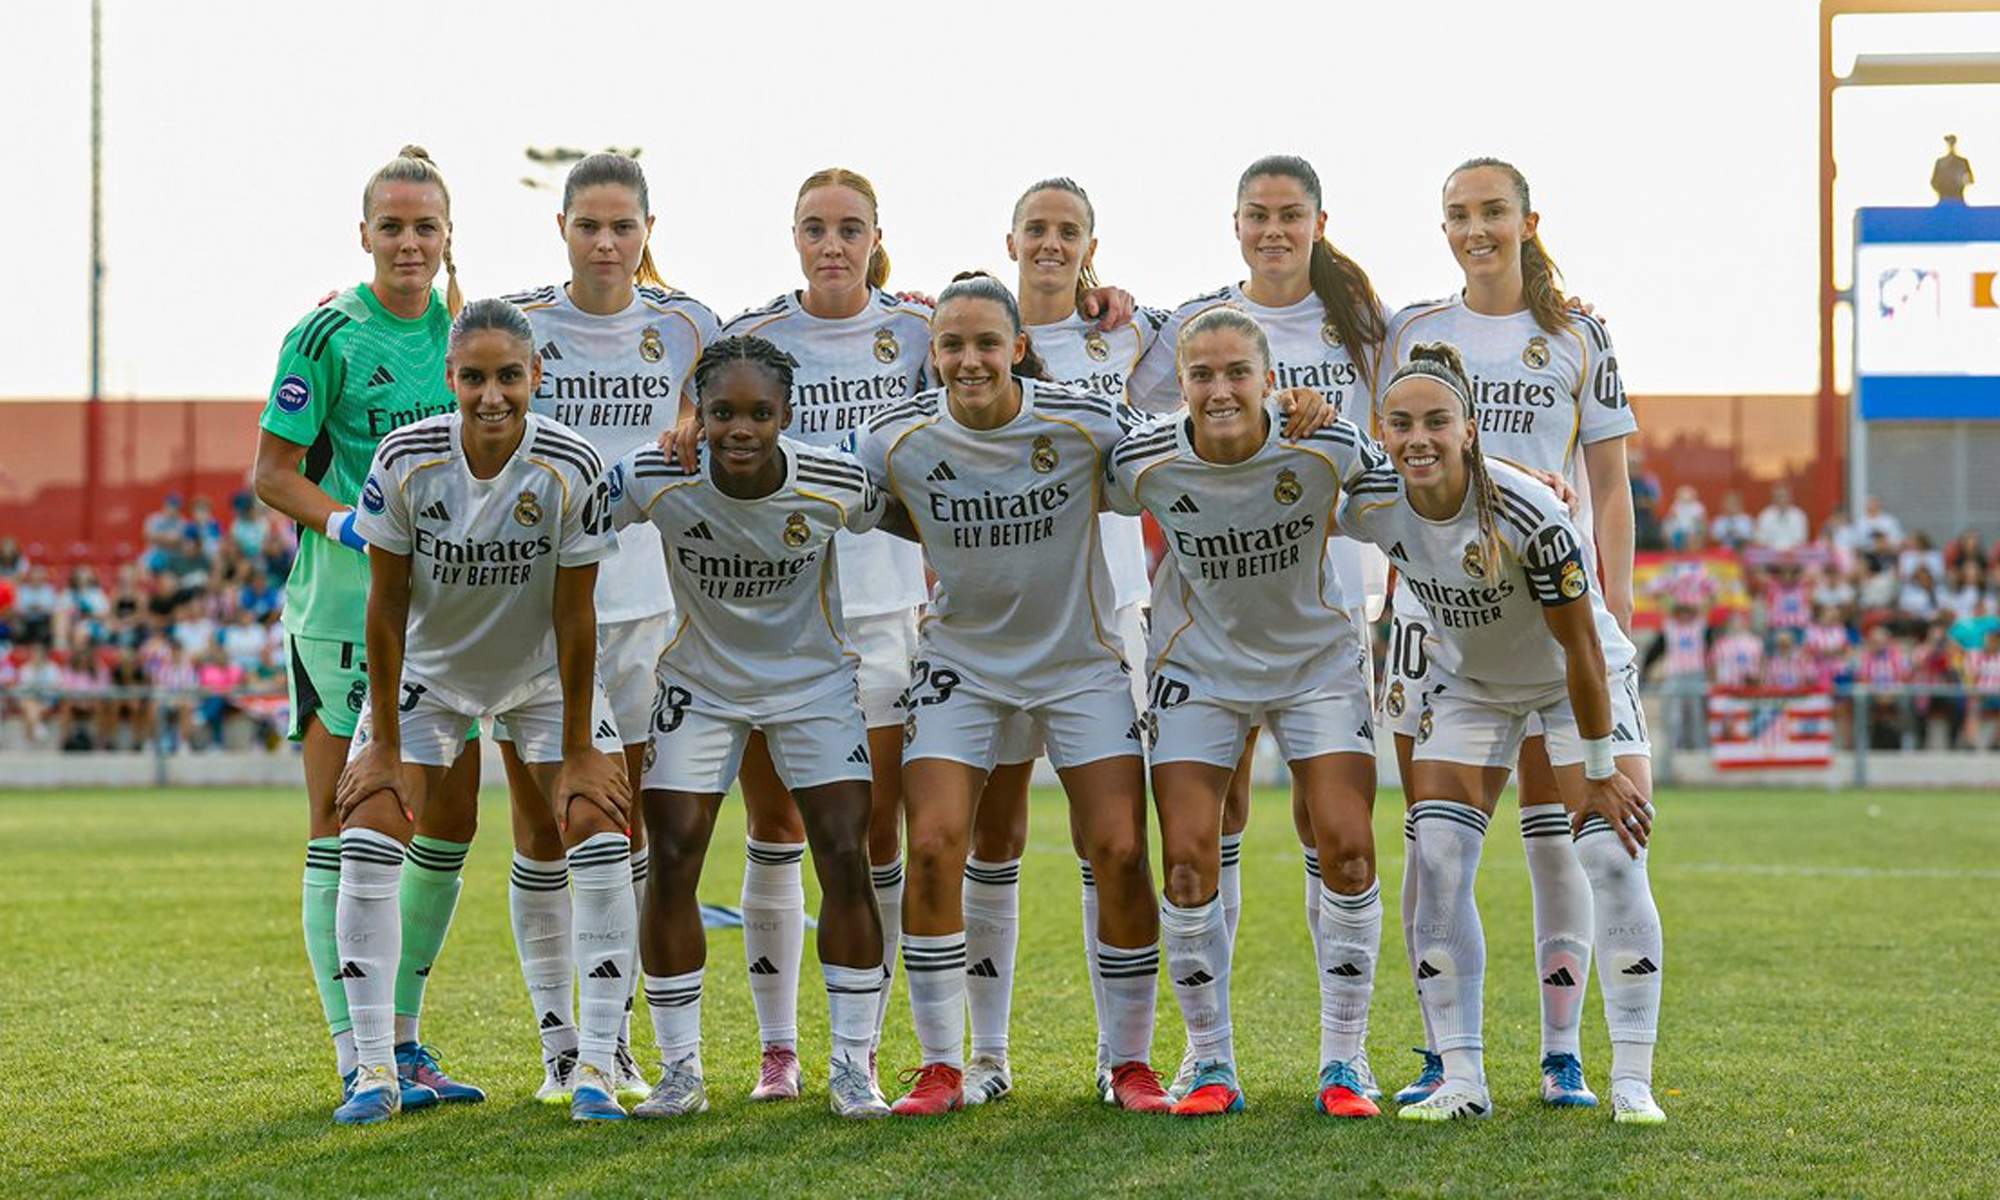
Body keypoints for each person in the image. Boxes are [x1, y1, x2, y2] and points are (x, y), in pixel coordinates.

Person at [699, 167, 1137, 1098]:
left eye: (849, 227)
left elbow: (1160, 440)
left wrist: (1106, 295)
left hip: (913, 616)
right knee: (797, 828)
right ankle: (809, 1049)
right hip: (787, 613)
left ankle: (1036, 1056)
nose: (832, 243)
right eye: (815, 226)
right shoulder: (756, 339)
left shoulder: (920, 329)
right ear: (793, 235)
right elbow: (814, 472)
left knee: (945, 839)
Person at [853, 273, 1169, 1117]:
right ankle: (942, 1066)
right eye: (952, 345)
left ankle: (1128, 1064)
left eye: (986, 343)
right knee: (935, 846)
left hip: (1079, 663)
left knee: (1120, 850)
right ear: (934, 353)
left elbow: (1174, 463)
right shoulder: (893, 438)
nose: (968, 360)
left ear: (1019, 348)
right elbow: (837, 493)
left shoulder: (1082, 423)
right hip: (964, 665)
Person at [1339, 342, 1666, 1125]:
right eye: (1401, 423)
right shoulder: (1373, 500)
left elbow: (1583, 646)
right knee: (1439, 852)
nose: (1419, 438)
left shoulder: (1530, 512)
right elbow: (1303, 478)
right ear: (1383, 432)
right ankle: (1463, 1078)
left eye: (1437, 422)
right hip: (1475, 686)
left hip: (1572, 679)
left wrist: (1595, 766)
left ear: (1471, 429)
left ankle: (1630, 1078)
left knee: (1609, 852)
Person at [1127, 153, 1390, 1100]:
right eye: (1201, 374)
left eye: (1238, 371)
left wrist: (1535, 487)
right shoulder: (1145, 457)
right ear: (1180, 382)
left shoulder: (1327, 441)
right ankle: (1210, 1059)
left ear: (1273, 380)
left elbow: (1420, 486)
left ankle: (1344, 1058)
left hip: (1317, 659)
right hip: (1198, 664)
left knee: (1349, 845)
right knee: (1190, 857)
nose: (1219, 387)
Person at [329, 298, 631, 1124]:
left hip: (540, 681)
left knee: (601, 833)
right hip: (428, 678)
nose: (491, 395)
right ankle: (372, 1074)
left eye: (508, 376)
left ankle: (595, 1069)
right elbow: (385, 607)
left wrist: (576, 749)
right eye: (473, 377)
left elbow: (577, 615)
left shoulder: (571, 465)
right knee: (368, 833)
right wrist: (384, 744)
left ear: (536, 376)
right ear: (451, 381)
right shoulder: (404, 458)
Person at [1378, 157, 1638, 1109]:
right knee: (1434, 836)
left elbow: (1608, 487)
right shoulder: (1414, 329)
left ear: (1530, 221)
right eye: (1459, 213)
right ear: (1443, 227)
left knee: (1555, 836)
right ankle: (1446, 1050)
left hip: (1552, 605)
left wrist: (1619, 614)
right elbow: (1382, 454)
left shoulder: (1578, 334)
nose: (1476, 227)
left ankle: (1561, 1054)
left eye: (1494, 211)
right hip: (1433, 616)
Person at [251, 146, 485, 1112]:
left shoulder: (471, 332)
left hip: (457, 622)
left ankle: (407, 1039)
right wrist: (354, 523)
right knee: (346, 825)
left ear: (445, 237)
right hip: (345, 614)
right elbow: (272, 472)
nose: (408, 242)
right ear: (364, 235)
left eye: (424, 226)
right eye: (391, 226)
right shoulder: (326, 334)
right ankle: (358, 1051)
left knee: (450, 823)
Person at [612, 335, 893, 1121]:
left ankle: (850, 1067)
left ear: (787, 415)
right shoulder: (656, 477)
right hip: (700, 685)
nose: (740, 429)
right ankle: (680, 1072)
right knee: (671, 857)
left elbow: (915, 516)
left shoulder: (834, 480)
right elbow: (574, 511)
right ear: (696, 415)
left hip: (813, 685)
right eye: (723, 412)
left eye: (759, 413)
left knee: (845, 856)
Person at [497, 151, 720, 1105]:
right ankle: (559, 1043)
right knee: (544, 828)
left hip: (649, 609)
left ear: (647, 232)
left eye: (622, 226)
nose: (605, 242)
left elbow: (749, 380)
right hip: (533, 611)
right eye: (588, 224)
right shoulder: (524, 325)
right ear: (562, 229)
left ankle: (612, 1038)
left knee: (619, 827)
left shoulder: (689, 326)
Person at [951, 176, 1161, 1104]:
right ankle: (987, 1056)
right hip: (991, 616)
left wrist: (1126, 305)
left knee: (1112, 841)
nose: (1050, 243)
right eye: (1035, 228)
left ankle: (1125, 1058)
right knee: (991, 834)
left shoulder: (1129, 334)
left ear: (1090, 244)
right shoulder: (965, 334)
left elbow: (1206, 368)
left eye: (1067, 231)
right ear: (1009, 241)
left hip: (1106, 615)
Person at [1753, 484, 1808, 552]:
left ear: (1790, 497)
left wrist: (1787, 553)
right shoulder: (1765, 515)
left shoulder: (1799, 515)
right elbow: (1759, 539)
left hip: (1793, 556)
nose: (1781, 499)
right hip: (1769, 556)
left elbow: (1801, 540)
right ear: (1773, 498)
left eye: (1784, 496)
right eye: (1778, 496)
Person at [1932, 134, 1973, 203]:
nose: (1951, 145)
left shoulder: (1962, 162)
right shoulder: (1940, 162)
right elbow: (1934, 181)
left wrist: (1960, 183)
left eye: (1952, 143)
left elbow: (1969, 180)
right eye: (1949, 143)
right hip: (1944, 197)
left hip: (1958, 197)